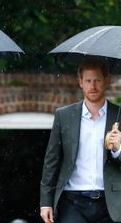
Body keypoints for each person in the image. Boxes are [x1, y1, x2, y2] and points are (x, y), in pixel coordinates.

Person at [40, 58, 121, 223]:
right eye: (88, 81)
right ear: (80, 83)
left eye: (97, 80)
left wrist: (118, 149)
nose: (93, 86)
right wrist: (45, 203)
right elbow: (51, 162)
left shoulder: (119, 115)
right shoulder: (64, 116)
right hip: (72, 202)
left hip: (110, 202)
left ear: (106, 81)